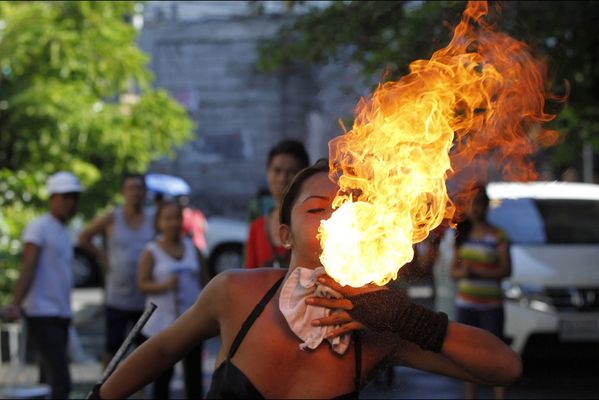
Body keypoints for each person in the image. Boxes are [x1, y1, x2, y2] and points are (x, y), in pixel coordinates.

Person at [93, 159, 521, 399]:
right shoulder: (235, 291)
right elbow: (165, 347)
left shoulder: (379, 328)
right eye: (317, 209)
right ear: (285, 234)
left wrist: (405, 318)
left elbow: (505, 368)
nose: (335, 218)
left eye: (346, 208)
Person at [2, 172, 84, 399]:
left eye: (74, 197)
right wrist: (16, 303)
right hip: (42, 312)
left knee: (48, 378)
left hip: (61, 311)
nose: (71, 202)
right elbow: (28, 266)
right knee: (61, 380)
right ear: (53, 198)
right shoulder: (38, 227)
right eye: (66, 196)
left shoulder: (64, 230)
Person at [78, 173, 155, 367]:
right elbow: (84, 237)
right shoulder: (112, 218)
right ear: (123, 192)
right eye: (130, 188)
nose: (135, 193)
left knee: (144, 348)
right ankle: (104, 391)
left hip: (145, 296)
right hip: (117, 295)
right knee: (113, 347)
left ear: (145, 192)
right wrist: (103, 257)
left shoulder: (152, 219)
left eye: (138, 188)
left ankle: (140, 394)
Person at [137, 200, 209, 399]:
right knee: (162, 380)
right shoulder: (151, 251)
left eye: (177, 217)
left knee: (193, 377)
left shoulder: (192, 248)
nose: (173, 223)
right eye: (168, 218)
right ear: (159, 222)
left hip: (191, 324)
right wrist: (164, 285)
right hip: (160, 327)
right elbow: (142, 284)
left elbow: (207, 282)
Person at [450, 185, 512, 400]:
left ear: (486, 206)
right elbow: (453, 272)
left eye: (480, 204)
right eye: (472, 203)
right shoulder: (462, 236)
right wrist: (463, 272)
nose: (475, 209)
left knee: (495, 354)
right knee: (469, 358)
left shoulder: (498, 235)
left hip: (490, 306)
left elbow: (506, 269)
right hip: (466, 304)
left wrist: (476, 272)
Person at [244, 139, 310, 268]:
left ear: (304, 176)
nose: (282, 178)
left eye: (291, 172)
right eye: (277, 171)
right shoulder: (256, 228)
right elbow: (248, 277)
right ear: (268, 173)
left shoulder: (314, 226)